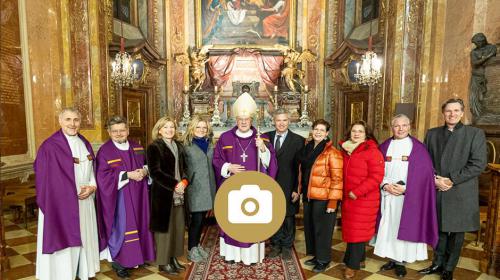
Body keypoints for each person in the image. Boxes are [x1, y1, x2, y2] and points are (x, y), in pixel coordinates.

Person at [419, 98, 487, 280]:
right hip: (437, 188)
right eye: (449, 111)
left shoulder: (475, 134)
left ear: (462, 113)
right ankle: (437, 263)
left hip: (460, 190)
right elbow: (424, 162)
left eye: (456, 111)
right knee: (439, 229)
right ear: (443, 113)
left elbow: (478, 164)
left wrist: (451, 180)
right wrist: (434, 179)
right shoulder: (432, 134)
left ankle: (449, 268)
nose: (452, 114)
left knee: (456, 233)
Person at [212, 91, 278, 265]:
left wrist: (263, 148)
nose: (243, 122)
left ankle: (252, 255)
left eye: (246, 119)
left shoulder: (261, 138)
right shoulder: (225, 137)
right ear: (236, 120)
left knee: (252, 220)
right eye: (240, 119)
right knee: (233, 220)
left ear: (251, 120)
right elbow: (217, 159)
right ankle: (232, 255)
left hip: (254, 190)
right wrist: (228, 167)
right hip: (232, 189)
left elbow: (270, 163)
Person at [34, 108, 100, 280]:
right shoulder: (50, 146)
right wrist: (69, 192)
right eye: (68, 119)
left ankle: (83, 272)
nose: (72, 124)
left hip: (84, 202)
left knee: (84, 238)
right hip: (60, 205)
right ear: (60, 121)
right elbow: (44, 178)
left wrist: (92, 187)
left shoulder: (84, 142)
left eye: (76, 120)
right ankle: (62, 275)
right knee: (64, 244)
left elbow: (92, 169)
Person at [372, 114, 438, 278]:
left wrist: (406, 189)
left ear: (410, 127)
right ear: (391, 127)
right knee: (389, 228)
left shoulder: (418, 148)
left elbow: (425, 176)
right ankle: (392, 258)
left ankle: (401, 261)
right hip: (387, 194)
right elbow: (376, 170)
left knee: (404, 228)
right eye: (396, 125)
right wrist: (385, 185)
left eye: (404, 125)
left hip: (408, 198)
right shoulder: (383, 147)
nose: (400, 129)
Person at [96, 116, 155, 278]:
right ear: (109, 132)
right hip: (119, 197)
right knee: (123, 226)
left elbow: (147, 165)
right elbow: (102, 177)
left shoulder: (137, 147)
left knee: (141, 222)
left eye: (122, 130)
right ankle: (119, 262)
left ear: (128, 131)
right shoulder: (105, 151)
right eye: (114, 131)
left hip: (139, 195)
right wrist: (127, 175)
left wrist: (144, 171)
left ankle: (139, 256)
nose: (119, 134)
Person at [297, 119, 343, 273]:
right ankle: (316, 256)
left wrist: (333, 202)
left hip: (324, 198)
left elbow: (337, 179)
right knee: (311, 228)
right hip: (310, 196)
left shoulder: (332, 153)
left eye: (321, 130)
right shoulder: (308, 148)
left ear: (327, 133)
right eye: (316, 129)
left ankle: (323, 259)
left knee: (322, 230)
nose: (318, 132)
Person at [340, 120, 385, 279]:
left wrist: (357, 192)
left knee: (357, 231)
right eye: (354, 131)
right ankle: (358, 258)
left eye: (360, 131)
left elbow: (376, 177)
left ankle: (352, 266)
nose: (356, 134)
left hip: (363, 199)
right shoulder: (346, 150)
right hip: (348, 198)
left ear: (366, 134)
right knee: (352, 230)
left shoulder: (373, 151)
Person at [147, 116, 188, 275]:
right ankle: (163, 262)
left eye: (172, 127)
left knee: (177, 228)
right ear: (159, 130)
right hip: (163, 194)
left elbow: (184, 168)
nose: (169, 130)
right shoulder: (154, 147)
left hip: (179, 193)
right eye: (166, 127)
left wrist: (184, 182)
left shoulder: (178, 145)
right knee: (165, 229)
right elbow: (155, 172)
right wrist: (174, 185)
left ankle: (172, 258)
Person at [264, 109, 304, 260]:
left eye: (284, 120)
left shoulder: (298, 140)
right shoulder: (266, 137)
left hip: (289, 184)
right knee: (273, 216)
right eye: (278, 120)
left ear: (289, 121)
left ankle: (287, 246)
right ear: (273, 121)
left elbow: (300, 168)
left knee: (288, 217)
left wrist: (297, 189)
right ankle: (275, 245)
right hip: (270, 184)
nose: (281, 123)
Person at [182, 116, 216, 262]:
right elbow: (182, 167)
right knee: (195, 220)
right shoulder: (185, 145)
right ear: (192, 128)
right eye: (198, 127)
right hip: (194, 188)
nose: (201, 130)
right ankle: (191, 249)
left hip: (208, 186)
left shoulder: (210, 144)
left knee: (202, 219)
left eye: (204, 128)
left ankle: (196, 245)